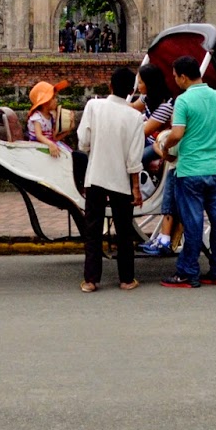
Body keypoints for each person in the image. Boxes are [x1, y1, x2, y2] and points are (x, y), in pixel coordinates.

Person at [159, 55, 216, 289]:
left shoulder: (183, 100)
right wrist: (213, 137)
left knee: (193, 223)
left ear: (184, 77)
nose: (175, 80)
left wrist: (165, 147)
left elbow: (177, 134)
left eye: (175, 77)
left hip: (190, 170)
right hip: (213, 169)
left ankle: (187, 272)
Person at [77, 67, 146, 292]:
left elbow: (83, 142)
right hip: (121, 180)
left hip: (96, 175)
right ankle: (126, 279)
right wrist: (136, 187)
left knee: (93, 229)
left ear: (110, 86)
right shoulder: (135, 117)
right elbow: (134, 158)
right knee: (124, 231)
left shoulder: (94, 106)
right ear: (131, 91)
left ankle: (90, 280)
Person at [135, 64, 179, 256]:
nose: (138, 85)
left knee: (135, 158)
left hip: (158, 145)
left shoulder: (165, 106)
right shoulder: (146, 98)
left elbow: (143, 131)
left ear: (149, 84)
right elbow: (131, 107)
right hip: (148, 140)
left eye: (140, 82)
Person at [25, 80, 73, 156]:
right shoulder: (37, 117)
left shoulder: (51, 117)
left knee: (73, 155)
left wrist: (69, 128)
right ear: (45, 102)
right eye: (53, 98)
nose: (56, 100)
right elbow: (39, 135)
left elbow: (54, 138)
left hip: (49, 144)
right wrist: (50, 144)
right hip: (38, 147)